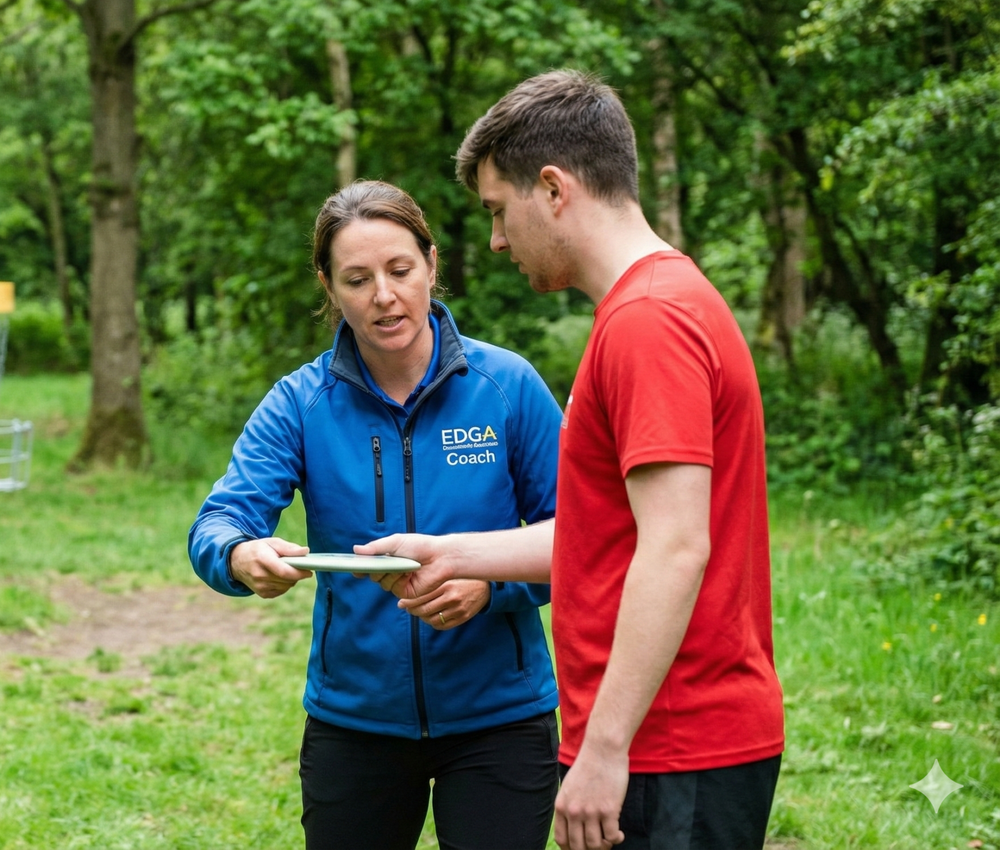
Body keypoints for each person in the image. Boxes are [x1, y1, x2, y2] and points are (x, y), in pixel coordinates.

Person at [358, 70, 784, 850]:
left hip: (671, 745)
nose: (494, 240)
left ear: (552, 189)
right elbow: (603, 534)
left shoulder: (648, 321)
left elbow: (676, 545)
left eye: (497, 211)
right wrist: (450, 552)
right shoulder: (653, 304)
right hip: (667, 744)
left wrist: (606, 746)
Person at [189, 180, 566, 850]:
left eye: (399, 270)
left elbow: (583, 537)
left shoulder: (506, 386)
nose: (383, 295)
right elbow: (219, 522)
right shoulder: (299, 403)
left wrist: (495, 585)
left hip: (500, 720)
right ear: (330, 287)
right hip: (354, 722)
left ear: (431, 262)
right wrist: (239, 555)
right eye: (357, 278)